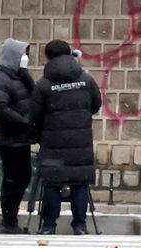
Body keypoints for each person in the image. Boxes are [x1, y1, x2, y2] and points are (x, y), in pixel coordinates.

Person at [31, 40, 101, 235]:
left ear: (48, 57)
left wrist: (38, 135)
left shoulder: (44, 84)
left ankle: (49, 225)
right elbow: (96, 105)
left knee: (53, 183)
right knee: (79, 182)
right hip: (80, 142)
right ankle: (80, 225)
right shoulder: (86, 80)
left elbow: (34, 115)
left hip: (53, 142)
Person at [0, 38, 35, 234]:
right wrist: (23, 121)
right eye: (23, 54)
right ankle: (8, 221)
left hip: (21, 138)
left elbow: (33, 96)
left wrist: (26, 76)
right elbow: (0, 109)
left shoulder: (19, 78)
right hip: (10, 138)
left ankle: (11, 219)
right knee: (13, 179)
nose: (26, 58)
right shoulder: (0, 80)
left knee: (22, 177)